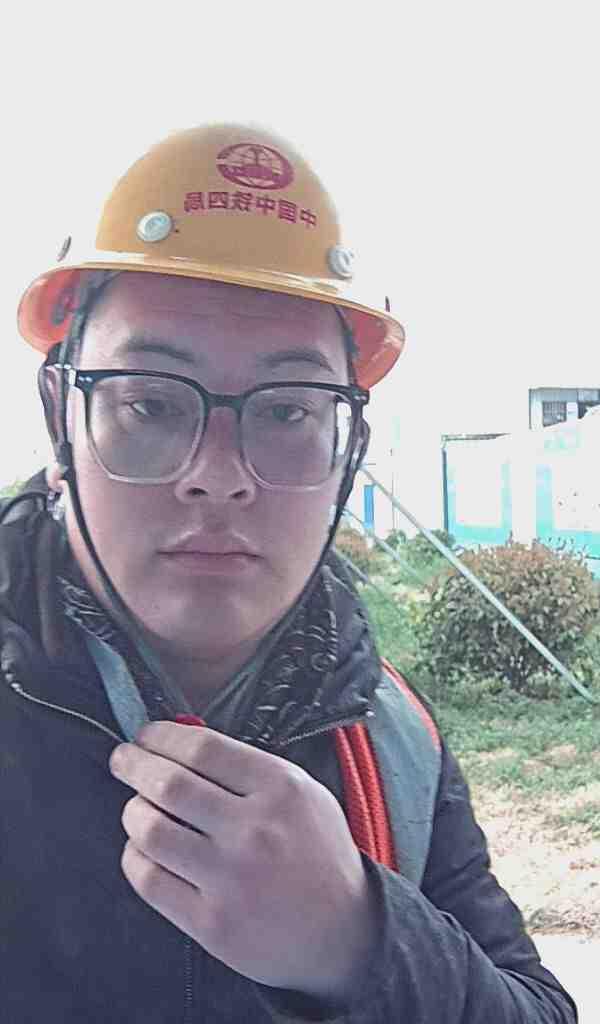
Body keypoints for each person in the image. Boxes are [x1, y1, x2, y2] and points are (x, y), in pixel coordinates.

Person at [0, 124, 577, 1023]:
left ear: (347, 446)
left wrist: (360, 941)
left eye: (288, 411)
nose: (219, 474)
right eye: (150, 403)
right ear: (60, 420)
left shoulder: (391, 740)